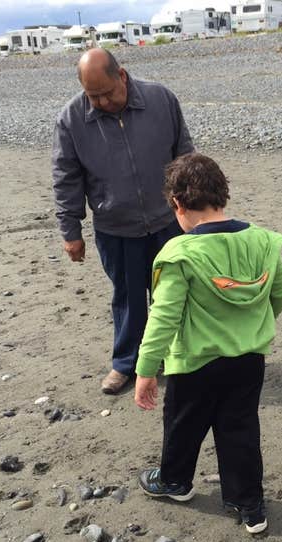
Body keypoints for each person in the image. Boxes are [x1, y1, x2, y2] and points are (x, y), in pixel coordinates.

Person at [133, 153, 282, 534]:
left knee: (183, 425)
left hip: (195, 363)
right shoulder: (261, 241)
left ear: (177, 204)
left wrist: (145, 369)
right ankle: (249, 505)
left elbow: (164, 317)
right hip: (248, 359)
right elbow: (280, 290)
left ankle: (175, 481)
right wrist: (254, 324)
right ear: (223, 195)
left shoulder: (180, 253)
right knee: (240, 430)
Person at [52, 48, 194, 394]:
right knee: (128, 299)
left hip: (169, 222)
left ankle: (181, 357)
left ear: (123, 76)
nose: (100, 102)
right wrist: (71, 231)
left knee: (174, 294)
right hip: (116, 227)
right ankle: (126, 363)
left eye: (107, 93)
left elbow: (186, 154)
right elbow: (66, 177)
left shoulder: (161, 100)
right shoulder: (71, 119)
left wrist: (194, 208)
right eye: (92, 95)